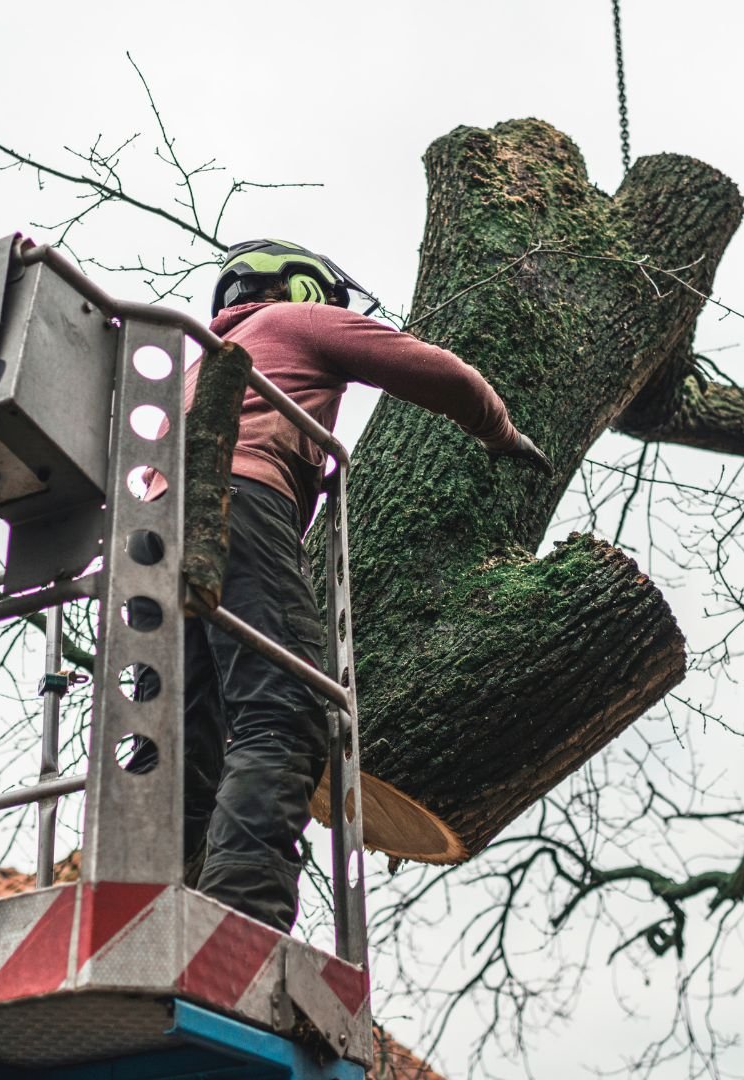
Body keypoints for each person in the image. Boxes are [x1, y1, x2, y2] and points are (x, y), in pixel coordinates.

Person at [176, 238, 551, 931]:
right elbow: (433, 371)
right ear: (305, 290)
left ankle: (152, 900)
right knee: (282, 710)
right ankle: (238, 923)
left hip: (154, 540)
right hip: (238, 506)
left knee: (185, 735)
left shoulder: (192, 370)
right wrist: (499, 433)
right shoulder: (293, 322)